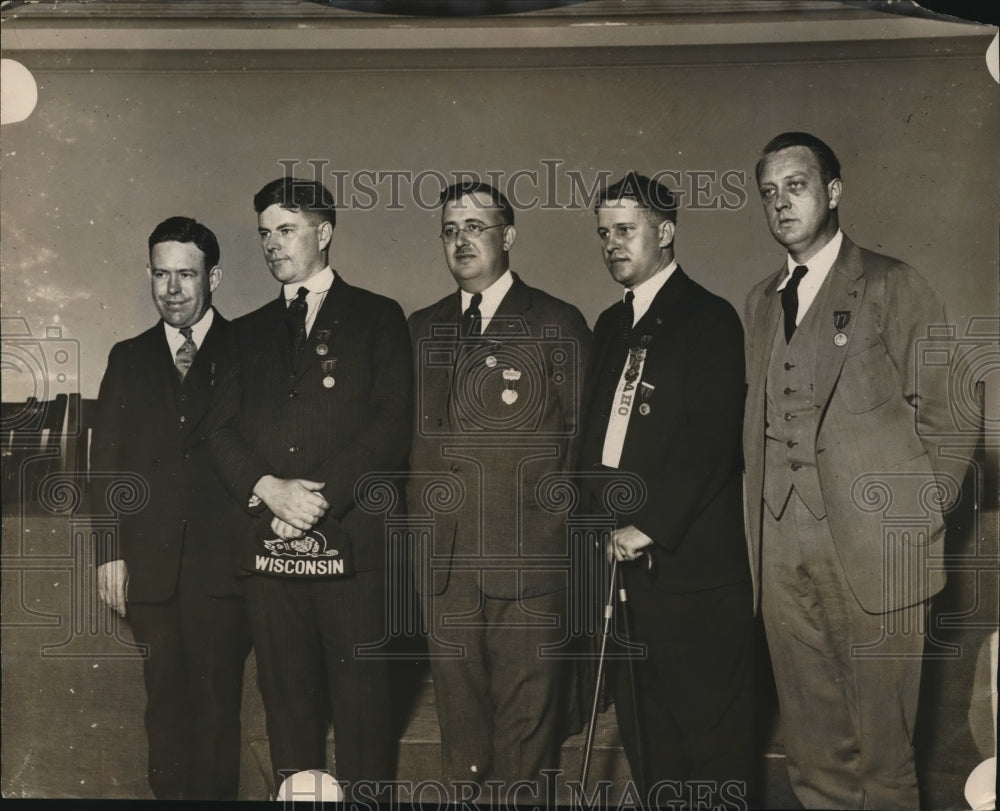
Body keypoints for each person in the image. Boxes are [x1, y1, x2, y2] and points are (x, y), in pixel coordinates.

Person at [744, 132, 972, 809]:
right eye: (769, 192)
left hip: (878, 550)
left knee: (885, 757)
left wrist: (918, 519)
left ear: (834, 192)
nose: (781, 203)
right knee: (813, 755)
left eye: (797, 185)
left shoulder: (892, 282)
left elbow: (953, 411)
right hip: (781, 552)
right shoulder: (758, 302)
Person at [210, 177, 412, 798]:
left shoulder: (379, 317)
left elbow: (390, 423)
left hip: (354, 556)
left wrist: (313, 501)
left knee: (364, 723)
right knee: (289, 718)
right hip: (271, 560)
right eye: (265, 233)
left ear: (324, 233)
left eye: (287, 229)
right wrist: (269, 488)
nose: (273, 244)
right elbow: (220, 428)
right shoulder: (242, 333)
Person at [406, 180, 591, 801]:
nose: (461, 241)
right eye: (450, 230)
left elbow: (585, 448)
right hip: (445, 568)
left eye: (476, 227)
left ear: (507, 237)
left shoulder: (557, 322)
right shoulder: (420, 328)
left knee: (526, 739)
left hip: (530, 562)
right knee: (463, 742)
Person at [577, 172, 754, 806]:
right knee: (652, 756)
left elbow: (713, 440)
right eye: (604, 234)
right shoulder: (607, 324)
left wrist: (646, 524)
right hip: (623, 582)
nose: (612, 245)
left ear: (667, 231)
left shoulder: (709, 317)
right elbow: (592, 448)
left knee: (712, 754)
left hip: (692, 581)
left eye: (625, 230)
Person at [91, 216, 252, 800]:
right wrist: (109, 555)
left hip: (225, 570)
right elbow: (104, 465)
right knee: (164, 705)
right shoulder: (127, 358)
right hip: (150, 571)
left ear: (214, 277)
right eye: (161, 274)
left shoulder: (248, 349)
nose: (173, 288)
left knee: (216, 706)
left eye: (186, 274)